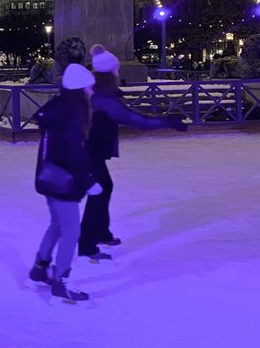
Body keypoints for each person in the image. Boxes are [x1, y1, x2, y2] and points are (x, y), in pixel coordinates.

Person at [78, 47, 188, 260]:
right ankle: (87, 245)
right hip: (85, 150)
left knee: (104, 187)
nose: (118, 75)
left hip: (91, 149)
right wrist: (168, 121)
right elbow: (136, 120)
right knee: (99, 190)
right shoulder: (102, 98)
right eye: (116, 71)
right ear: (110, 72)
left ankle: (100, 233)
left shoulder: (99, 92)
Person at [29, 63, 102, 303]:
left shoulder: (58, 106)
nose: (92, 91)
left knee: (57, 225)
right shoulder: (73, 113)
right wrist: (89, 180)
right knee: (71, 231)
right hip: (64, 180)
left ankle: (40, 268)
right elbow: (76, 152)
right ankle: (61, 281)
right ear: (80, 88)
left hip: (50, 176)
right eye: (89, 87)